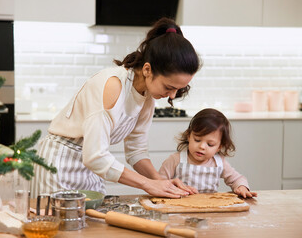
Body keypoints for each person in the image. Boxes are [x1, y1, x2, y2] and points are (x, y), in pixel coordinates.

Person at [31, 17, 200, 199]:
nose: (172, 96)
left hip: (92, 169)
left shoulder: (147, 98)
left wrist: (160, 181)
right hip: (59, 164)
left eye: (178, 89)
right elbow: (95, 156)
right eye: (169, 87)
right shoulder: (112, 86)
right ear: (147, 69)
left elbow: (136, 150)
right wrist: (147, 184)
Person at [159, 108, 258, 198]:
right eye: (197, 140)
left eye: (210, 144)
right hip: (180, 210)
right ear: (189, 136)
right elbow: (160, 182)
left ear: (219, 147)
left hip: (210, 210)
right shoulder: (175, 160)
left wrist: (242, 187)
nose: (202, 147)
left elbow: (236, 179)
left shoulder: (219, 162)